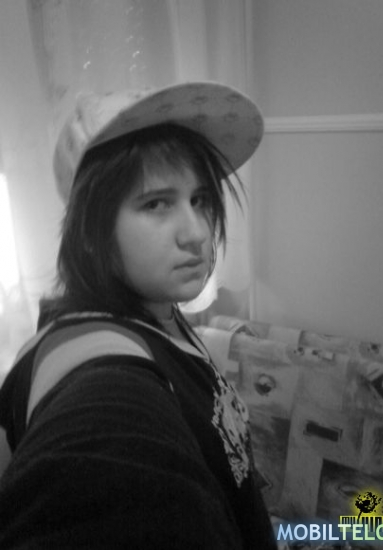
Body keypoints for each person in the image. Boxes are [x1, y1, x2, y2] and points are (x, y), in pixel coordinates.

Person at [0, 82, 275, 549]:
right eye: (155, 204)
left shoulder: (159, 310)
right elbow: (107, 469)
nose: (196, 233)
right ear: (91, 234)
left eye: (200, 200)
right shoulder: (97, 364)